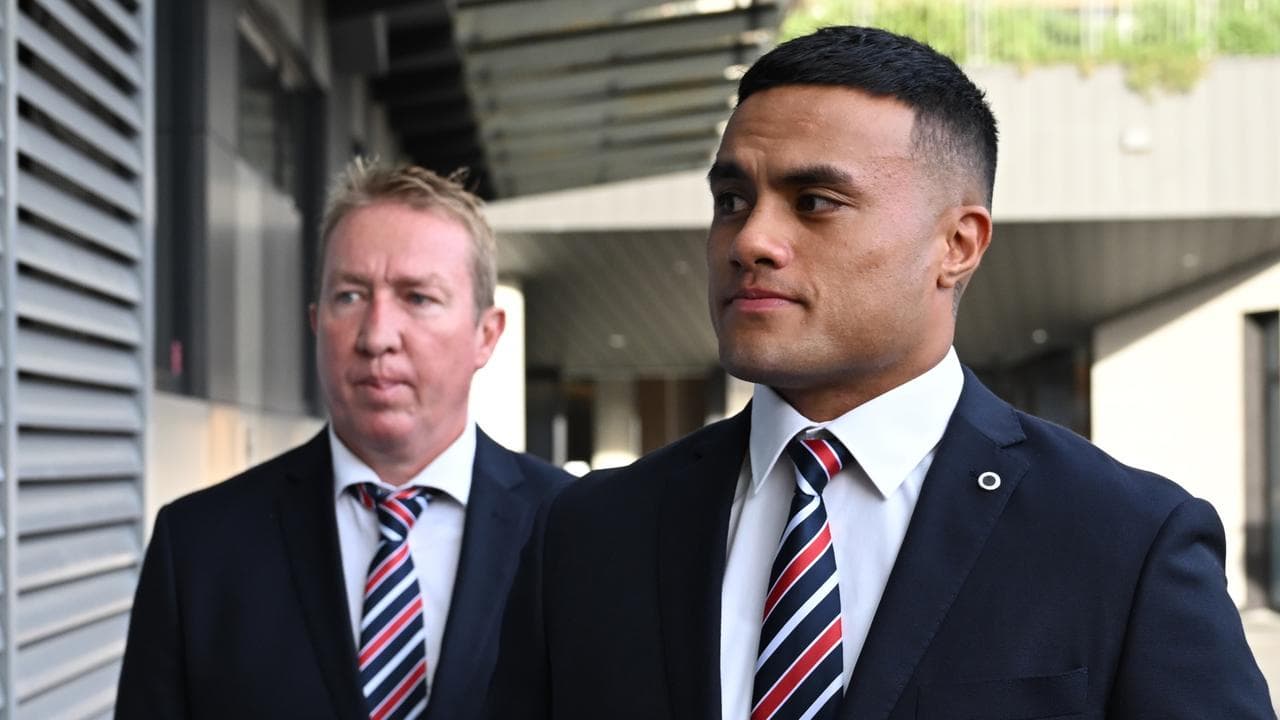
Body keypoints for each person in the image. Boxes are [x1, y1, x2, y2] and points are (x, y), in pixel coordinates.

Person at [486, 26, 1273, 720]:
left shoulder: (1124, 543)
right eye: (731, 199)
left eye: (815, 201)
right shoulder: (589, 535)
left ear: (957, 245)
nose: (750, 239)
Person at [117, 161, 570, 720]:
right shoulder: (197, 547)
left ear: (486, 334)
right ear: (315, 321)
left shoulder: (575, 532)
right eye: (350, 296)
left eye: (418, 297)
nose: (377, 336)